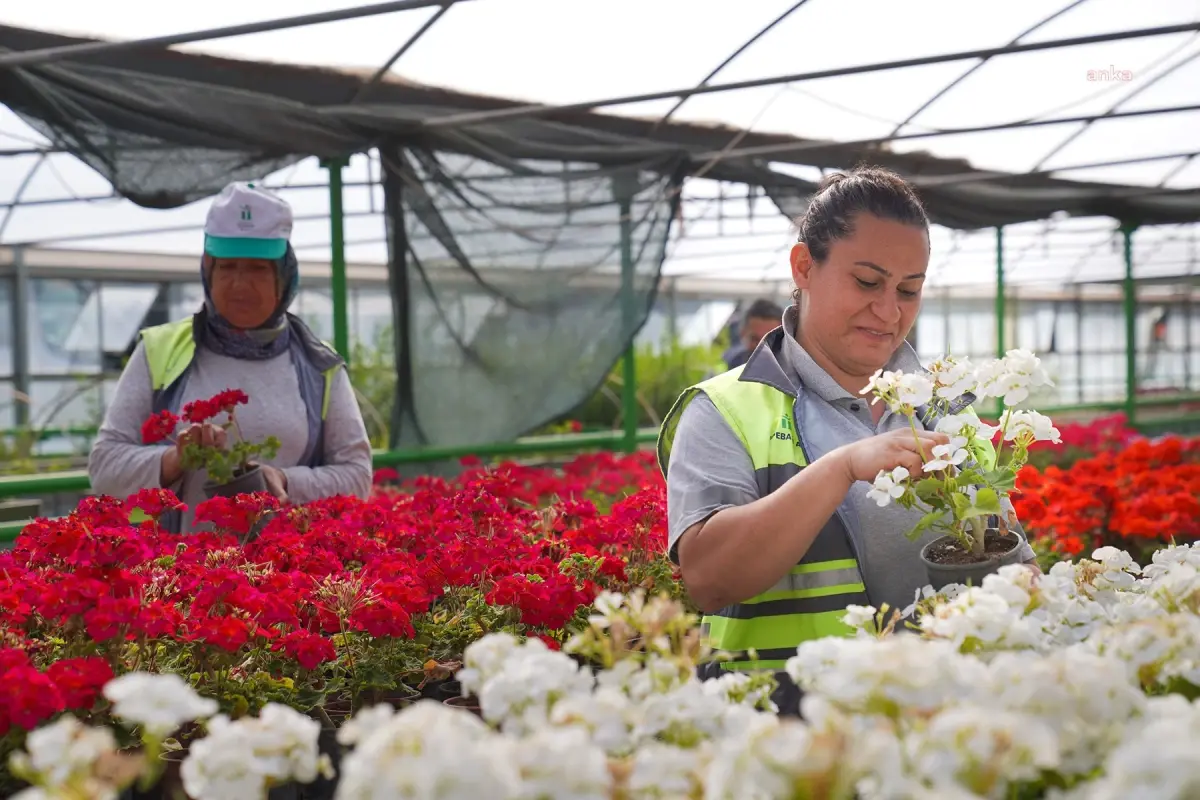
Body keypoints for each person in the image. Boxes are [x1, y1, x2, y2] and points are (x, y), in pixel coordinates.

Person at [656, 167, 1039, 708]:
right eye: (867, 282)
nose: (889, 312)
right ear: (804, 266)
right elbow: (710, 577)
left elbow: (1010, 561)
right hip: (790, 744)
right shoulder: (726, 408)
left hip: (947, 732)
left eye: (909, 290)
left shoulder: (947, 408)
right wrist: (840, 468)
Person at [89, 182, 374, 532]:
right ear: (208, 271)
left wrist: (285, 481)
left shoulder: (318, 364)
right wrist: (172, 460)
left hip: (289, 575)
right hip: (180, 574)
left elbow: (357, 475)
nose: (239, 284)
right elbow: (104, 467)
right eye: (227, 267)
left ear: (284, 277)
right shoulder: (158, 350)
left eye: (257, 268)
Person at [721, 298, 784, 369]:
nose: (762, 348)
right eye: (755, 339)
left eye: (770, 340)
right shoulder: (728, 367)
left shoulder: (794, 374)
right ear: (743, 334)